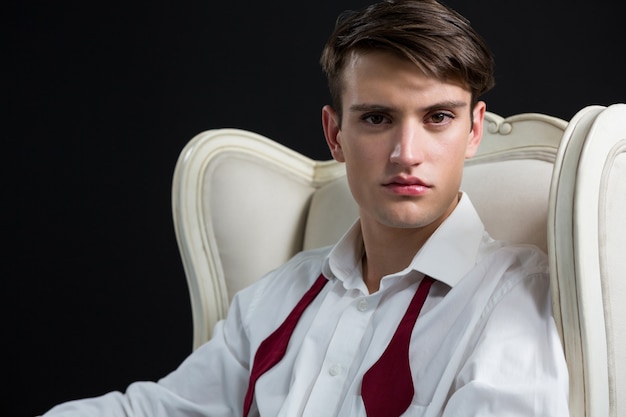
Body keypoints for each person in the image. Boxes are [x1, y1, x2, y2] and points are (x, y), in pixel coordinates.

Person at [41, 0, 569, 415]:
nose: (407, 154)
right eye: (377, 119)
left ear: (474, 129)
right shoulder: (276, 298)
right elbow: (155, 410)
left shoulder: (513, 298)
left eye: (437, 117)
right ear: (334, 134)